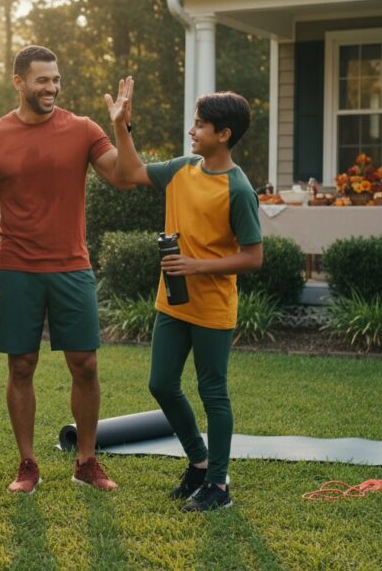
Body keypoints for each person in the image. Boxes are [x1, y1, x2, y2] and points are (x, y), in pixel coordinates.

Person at [0, 45, 127, 493]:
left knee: (86, 364)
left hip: (72, 265)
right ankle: (27, 463)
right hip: (17, 266)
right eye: (42, 80)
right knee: (21, 365)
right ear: (19, 81)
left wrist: (120, 127)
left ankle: (86, 461)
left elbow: (122, 174)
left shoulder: (82, 129)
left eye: (56, 79)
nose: (52, 87)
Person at [105, 78, 263, 512]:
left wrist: (197, 266)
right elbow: (130, 172)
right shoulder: (181, 169)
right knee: (161, 384)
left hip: (213, 306)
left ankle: (218, 486)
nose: (192, 132)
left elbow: (253, 257)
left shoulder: (238, 189)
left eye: (199, 126)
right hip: (172, 302)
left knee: (214, 392)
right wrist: (123, 126)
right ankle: (198, 461)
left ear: (223, 134)